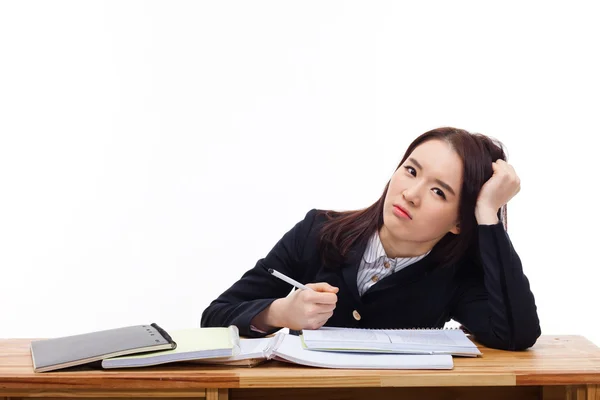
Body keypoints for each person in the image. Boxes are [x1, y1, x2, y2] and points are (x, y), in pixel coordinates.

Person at [201, 127, 541, 351]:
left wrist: (487, 215)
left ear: (458, 222)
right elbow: (215, 317)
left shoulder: (455, 276)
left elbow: (516, 334)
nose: (410, 194)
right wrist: (278, 313)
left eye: (439, 191)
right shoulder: (318, 231)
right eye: (411, 170)